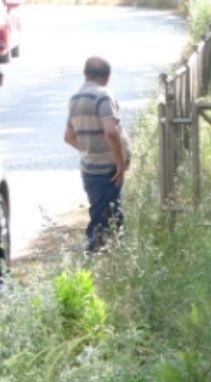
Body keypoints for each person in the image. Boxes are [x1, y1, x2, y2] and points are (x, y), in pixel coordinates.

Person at [64, 56, 129, 253]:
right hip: (107, 169)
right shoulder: (103, 96)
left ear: (85, 74)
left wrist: (87, 150)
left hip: (89, 169)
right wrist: (119, 162)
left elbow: (68, 136)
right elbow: (111, 131)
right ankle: (96, 262)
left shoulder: (75, 99)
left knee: (106, 215)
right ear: (107, 76)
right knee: (105, 221)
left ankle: (110, 262)